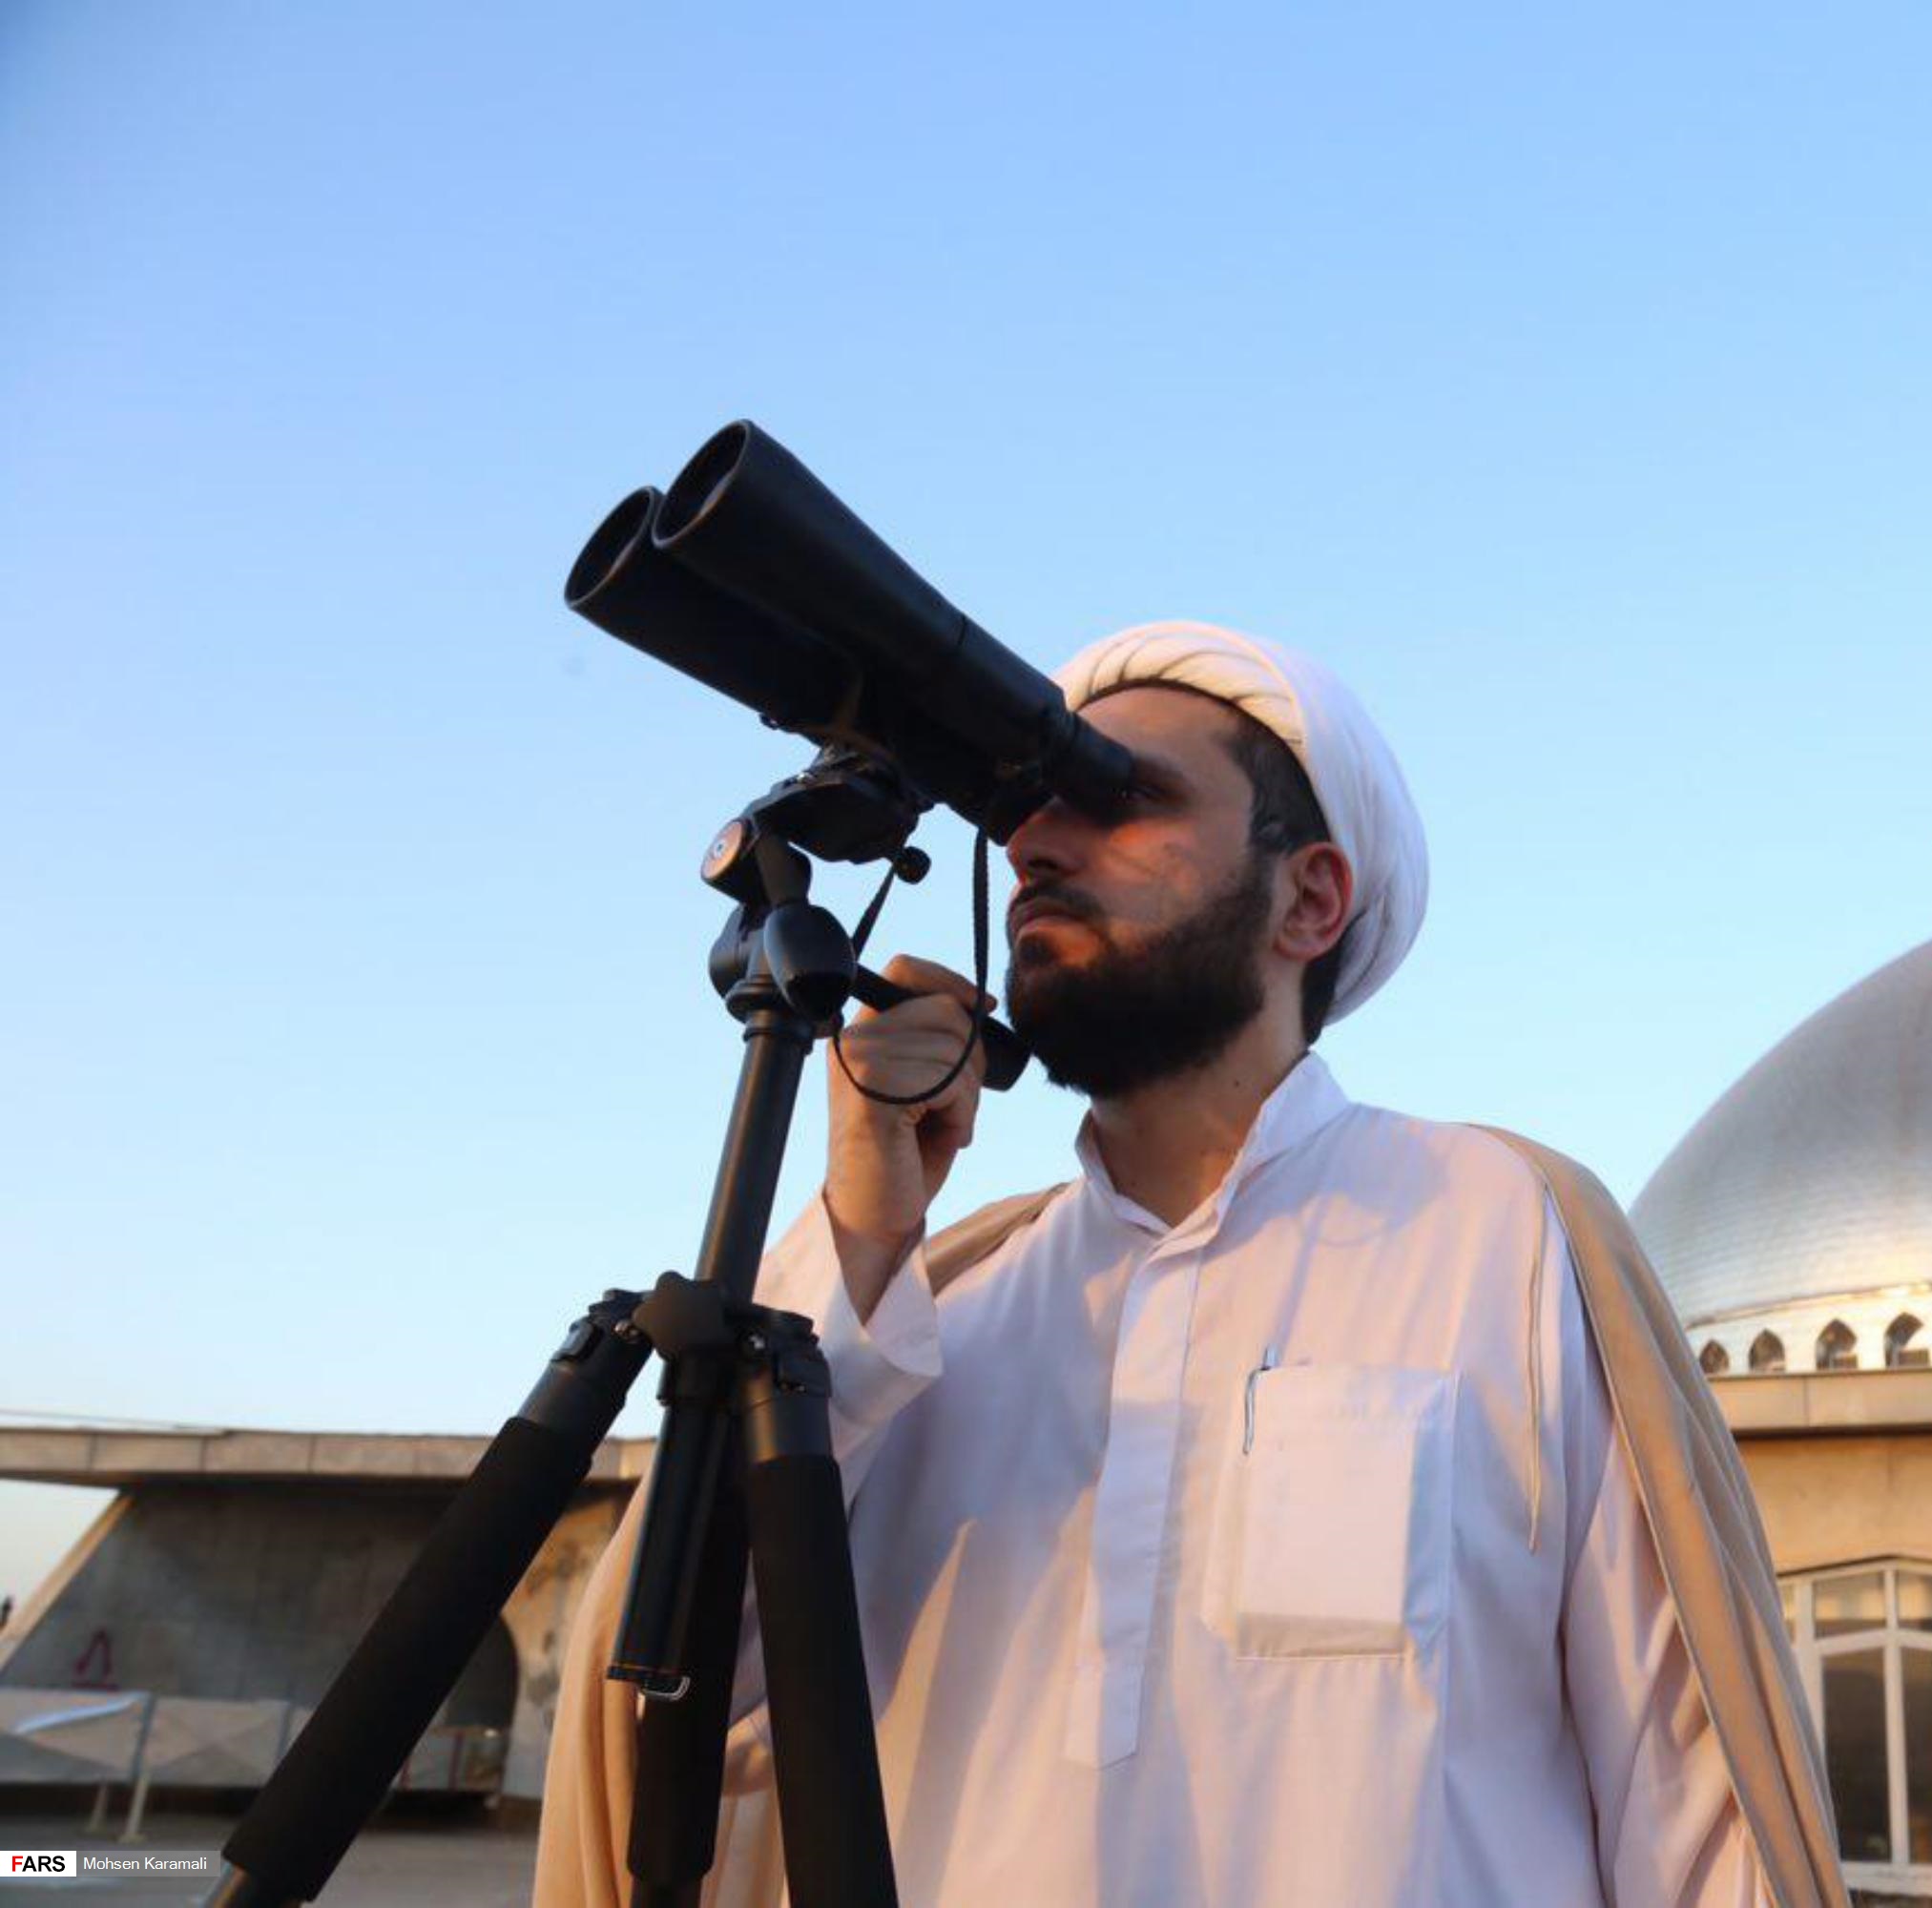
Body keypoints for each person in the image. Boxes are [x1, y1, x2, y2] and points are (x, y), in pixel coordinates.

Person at [537, 624, 1843, 1908]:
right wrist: (865, 1229)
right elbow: (664, 1727)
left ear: (1310, 898)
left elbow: (1693, 1803)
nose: (1034, 847)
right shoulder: (921, 1313)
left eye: (1121, 800)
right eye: (1029, 811)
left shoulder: (1507, 1232)